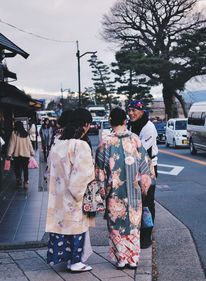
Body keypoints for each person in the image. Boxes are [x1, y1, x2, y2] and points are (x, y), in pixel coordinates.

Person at [95, 107, 152, 269]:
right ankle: (133, 259)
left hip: (114, 192)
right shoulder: (135, 140)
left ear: (110, 121)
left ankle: (121, 259)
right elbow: (145, 166)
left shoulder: (105, 142)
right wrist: (144, 186)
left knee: (116, 225)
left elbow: (99, 171)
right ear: (125, 121)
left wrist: (102, 190)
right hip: (134, 192)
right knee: (133, 225)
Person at [45, 108, 95, 272]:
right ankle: (75, 261)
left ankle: (64, 258)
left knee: (62, 226)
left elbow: (49, 171)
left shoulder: (59, 143)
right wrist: (82, 193)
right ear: (86, 125)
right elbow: (82, 174)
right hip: (74, 196)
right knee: (76, 227)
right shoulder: (80, 145)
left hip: (58, 194)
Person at [127, 100, 158, 249]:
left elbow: (141, 150)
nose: (131, 113)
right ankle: (137, 233)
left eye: (134, 110)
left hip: (149, 167)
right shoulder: (131, 125)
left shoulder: (149, 127)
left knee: (147, 202)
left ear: (142, 111)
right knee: (136, 201)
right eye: (129, 110)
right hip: (134, 166)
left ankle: (146, 236)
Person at [7, 121, 35, 189]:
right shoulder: (26, 134)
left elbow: (12, 145)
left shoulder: (14, 133)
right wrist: (32, 152)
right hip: (26, 155)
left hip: (17, 155)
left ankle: (18, 179)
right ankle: (26, 182)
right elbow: (29, 144)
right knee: (25, 169)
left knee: (17, 168)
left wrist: (9, 154)